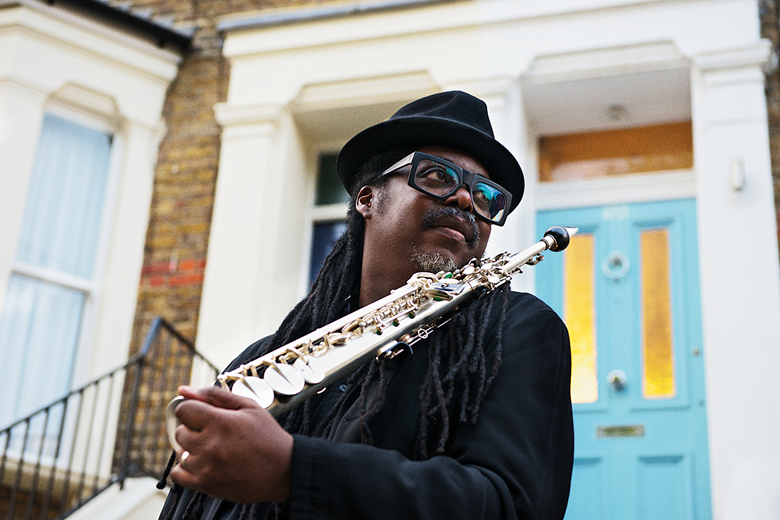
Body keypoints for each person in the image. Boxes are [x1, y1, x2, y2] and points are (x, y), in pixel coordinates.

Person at [159, 91, 574, 520]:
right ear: (367, 198)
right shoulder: (265, 359)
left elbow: (512, 505)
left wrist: (294, 470)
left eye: (487, 197)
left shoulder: (516, 330)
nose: (467, 200)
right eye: (435, 175)